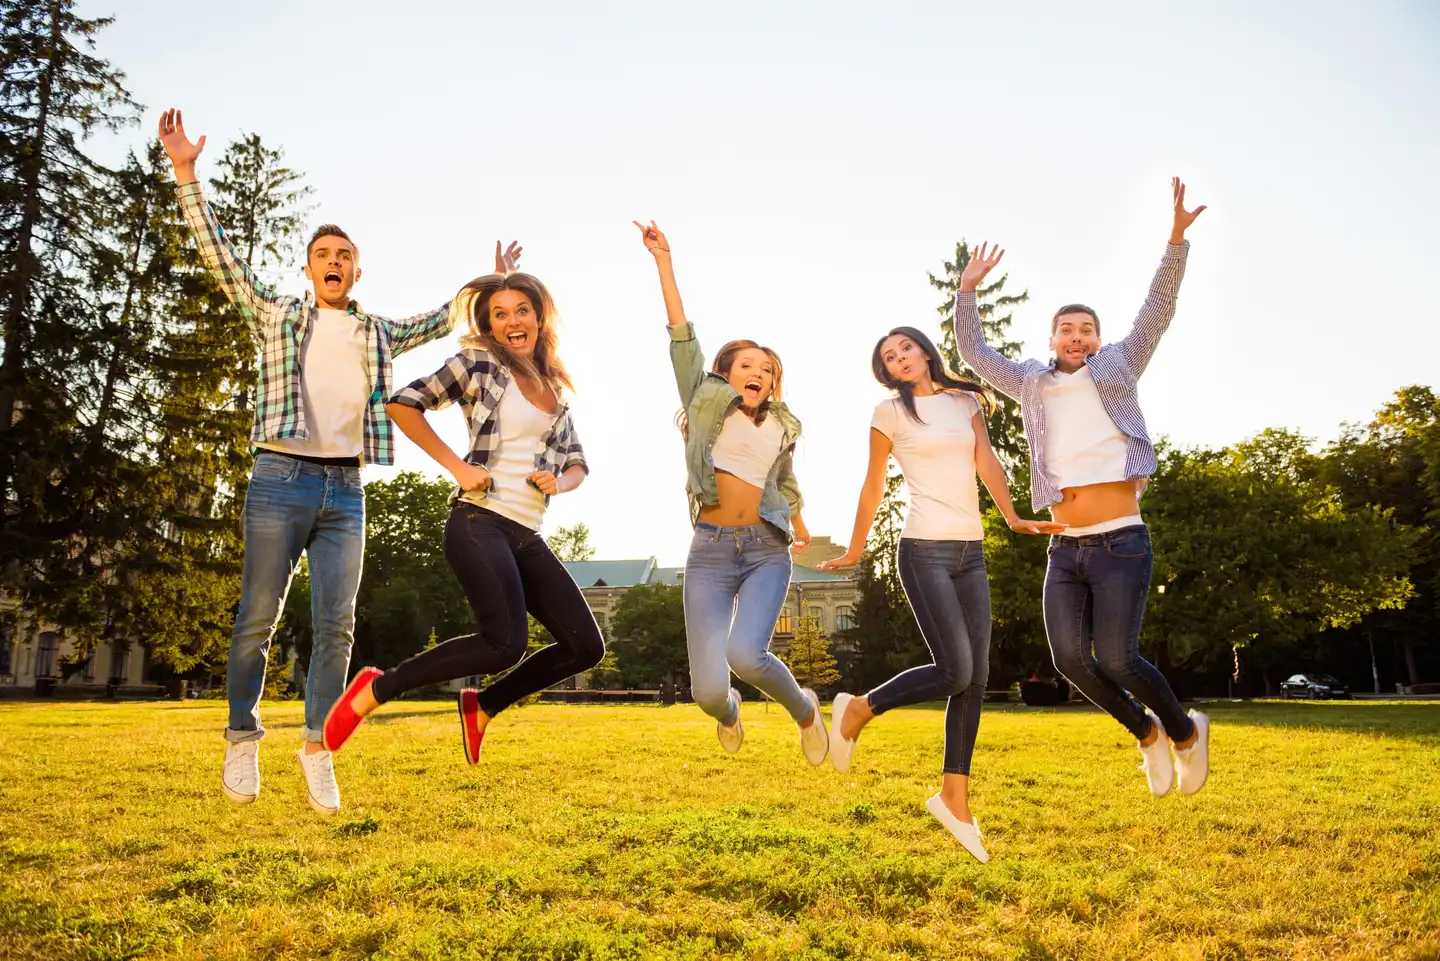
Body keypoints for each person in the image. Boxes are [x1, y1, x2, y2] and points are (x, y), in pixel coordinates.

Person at [158, 108, 514, 814]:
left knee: (338, 625)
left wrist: (492, 282)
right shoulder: (276, 314)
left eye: (344, 255)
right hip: (279, 479)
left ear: (356, 269)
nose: (334, 261)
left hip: (345, 492)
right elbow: (219, 255)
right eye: (324, 253)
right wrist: (186, 174)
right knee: (257, 616)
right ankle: (240, 736)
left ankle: (318, 745)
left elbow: (445, 315)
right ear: (309, 267)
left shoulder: (375, 330)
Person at [954, 178, 1210, 797]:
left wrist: (1175, 240)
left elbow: (1158, 309)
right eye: (1066, 329)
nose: (1076, 337)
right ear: (1050, 340)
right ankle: (1145, 731)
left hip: (1122, 540)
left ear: (1098, 338)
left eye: (1086, 329)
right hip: (1065, 546)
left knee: (1119, 659)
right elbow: (974, 352)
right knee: (1071, 659)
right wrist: (966, 291)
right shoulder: (1031, 383)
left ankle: (1183, 732)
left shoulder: (1121, 363)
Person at [321, 270, 604, 767]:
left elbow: (577, 460)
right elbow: (404, 404)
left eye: (522, 310)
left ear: (539, 317)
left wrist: (561, 481)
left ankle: (484, 705)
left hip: (526, 532)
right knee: (504, 643)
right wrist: (458, 467)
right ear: (491, 327)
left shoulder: (554, 387)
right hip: (479, 521)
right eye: (500, 314)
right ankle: (377, 687)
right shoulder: (479, 363)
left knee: (585, 646)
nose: (513, 321)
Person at [819, 327, 1062, 861]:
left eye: (905, 347)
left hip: (970, 553)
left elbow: (987, 463)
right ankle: (859, 709)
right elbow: (873, 482)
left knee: (974, 677)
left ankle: (955, 797)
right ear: (885, 371)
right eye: (888, 356)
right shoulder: (889, 413)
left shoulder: (963, 400)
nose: (899, 358)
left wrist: (1014, 516)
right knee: (954, 669)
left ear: (925, 350)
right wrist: (857, 547)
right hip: (923, 548)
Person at [635, 219, 828, 765]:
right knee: (708, 692)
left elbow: (784, 481)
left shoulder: (783, 423)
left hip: (766, 549)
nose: (758, 373)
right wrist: (663, 262)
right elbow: (682, 335)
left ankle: (806, 711)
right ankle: (730, 712)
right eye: (747, 365)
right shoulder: (704, 397)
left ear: (773, 382)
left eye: (767, 370)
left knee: (747, 653)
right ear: (725, 372)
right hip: (711, 553)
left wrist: (800, 518)